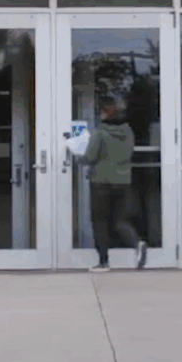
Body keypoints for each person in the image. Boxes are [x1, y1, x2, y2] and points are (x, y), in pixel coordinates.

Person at [68, 95, 145, 270]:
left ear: (104, 113)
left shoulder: (99, 133)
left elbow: (89, 157)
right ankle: (137, 243)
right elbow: (128, 153)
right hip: (123, 181)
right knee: (120, 220)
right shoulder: (128, 132)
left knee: (99, 221)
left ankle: (104, 262)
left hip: (101, 181)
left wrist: (77, 156)